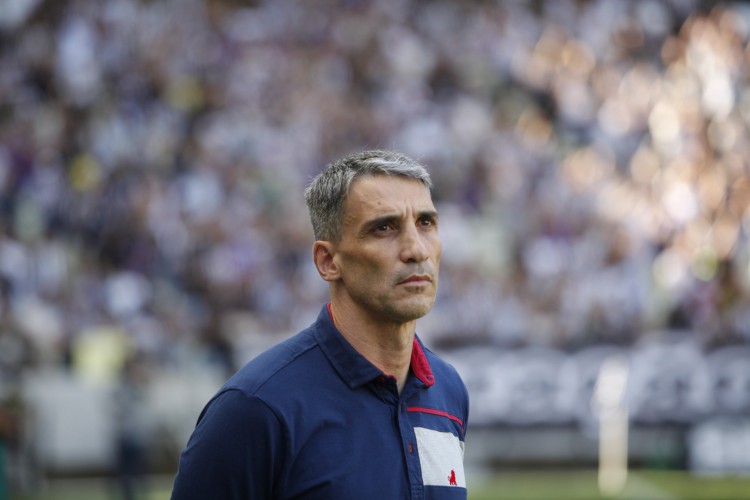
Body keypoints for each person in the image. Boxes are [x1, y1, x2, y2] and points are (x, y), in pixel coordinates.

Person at [170, 149, 470, 499]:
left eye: (426, 223)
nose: (416, 249)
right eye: (384, 228)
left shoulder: (448, 391)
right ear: (328, 261)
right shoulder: (256, 407)